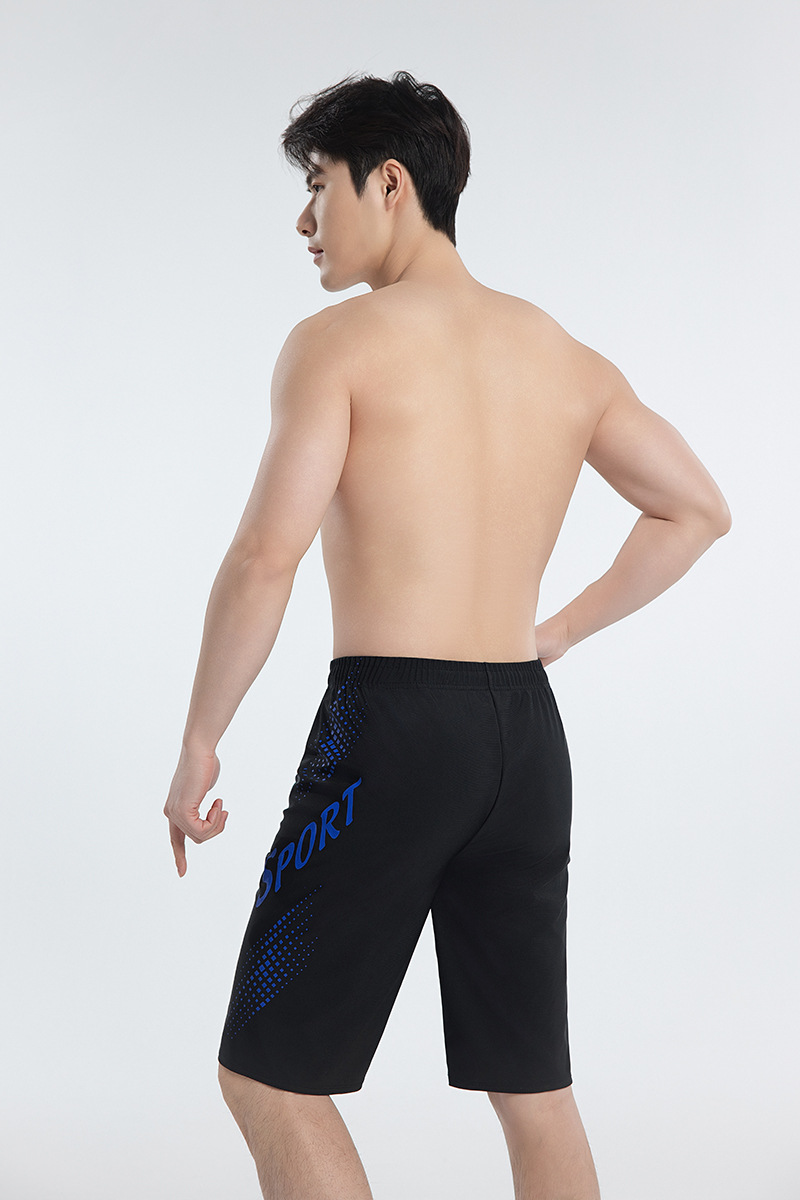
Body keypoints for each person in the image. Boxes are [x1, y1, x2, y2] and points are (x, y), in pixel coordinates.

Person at [163, 70, 731, 1200]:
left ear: (388, 182)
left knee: (268, 1076)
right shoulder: (562, 355)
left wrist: (199, 740)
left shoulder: (336, 345)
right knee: (532, 1089)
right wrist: (554, 633)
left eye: (318, 186)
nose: (304, 220)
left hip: (389, 736)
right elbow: (696, 510)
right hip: (524, 738)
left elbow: (265, 557)